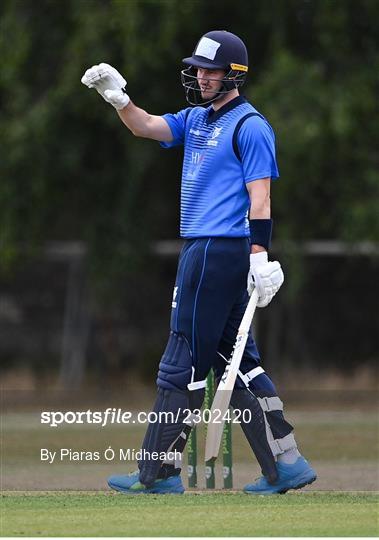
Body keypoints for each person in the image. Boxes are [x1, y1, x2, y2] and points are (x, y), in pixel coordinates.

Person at [81, 30, 317, 495]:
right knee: (236, 362)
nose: (201, 76)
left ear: (233, 76)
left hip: (216, 249)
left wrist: (259, 253)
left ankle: (159, 471)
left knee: (181, 359)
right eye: (199, 69)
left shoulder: (250, 126)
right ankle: (286, 463)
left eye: (210, 70)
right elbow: (146, 126)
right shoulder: (196, 118)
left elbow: (261, 196)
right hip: (208, 249)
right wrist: (118, 99)